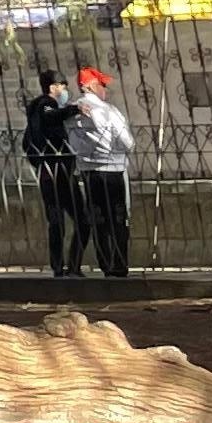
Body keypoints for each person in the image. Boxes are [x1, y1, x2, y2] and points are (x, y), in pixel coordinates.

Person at [69, 66, 135, 278]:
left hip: (88, 172)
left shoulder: (71, 113)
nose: (105, 90)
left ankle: (106, 265)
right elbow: (127, 142)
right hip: (113, 171)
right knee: (118, 219)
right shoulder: (108, 111)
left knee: (98, 220)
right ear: (89, 85)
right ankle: (120, 265)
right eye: (102, 85)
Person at [23, 70, 83, 278]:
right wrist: (75, 109)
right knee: (80, 219)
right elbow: (50, 116)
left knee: (58, 219)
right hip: (58, 171)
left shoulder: (33, 112)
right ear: (53, 88)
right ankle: (68, 266)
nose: (65, 90)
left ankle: (62, 266)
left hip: (48, 171)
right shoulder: (44, 104)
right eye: (63, 86)